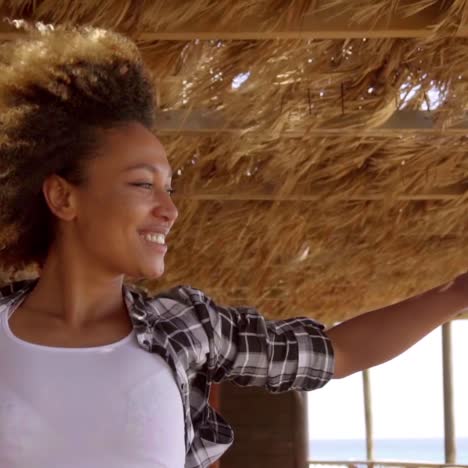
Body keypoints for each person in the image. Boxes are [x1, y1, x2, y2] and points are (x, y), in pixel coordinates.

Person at [0, 22, 466, 468]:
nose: (170, 209)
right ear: (63, 196)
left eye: (170, 188)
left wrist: (456, 294)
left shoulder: (187, 329)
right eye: (143, 185)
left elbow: (337, 353)